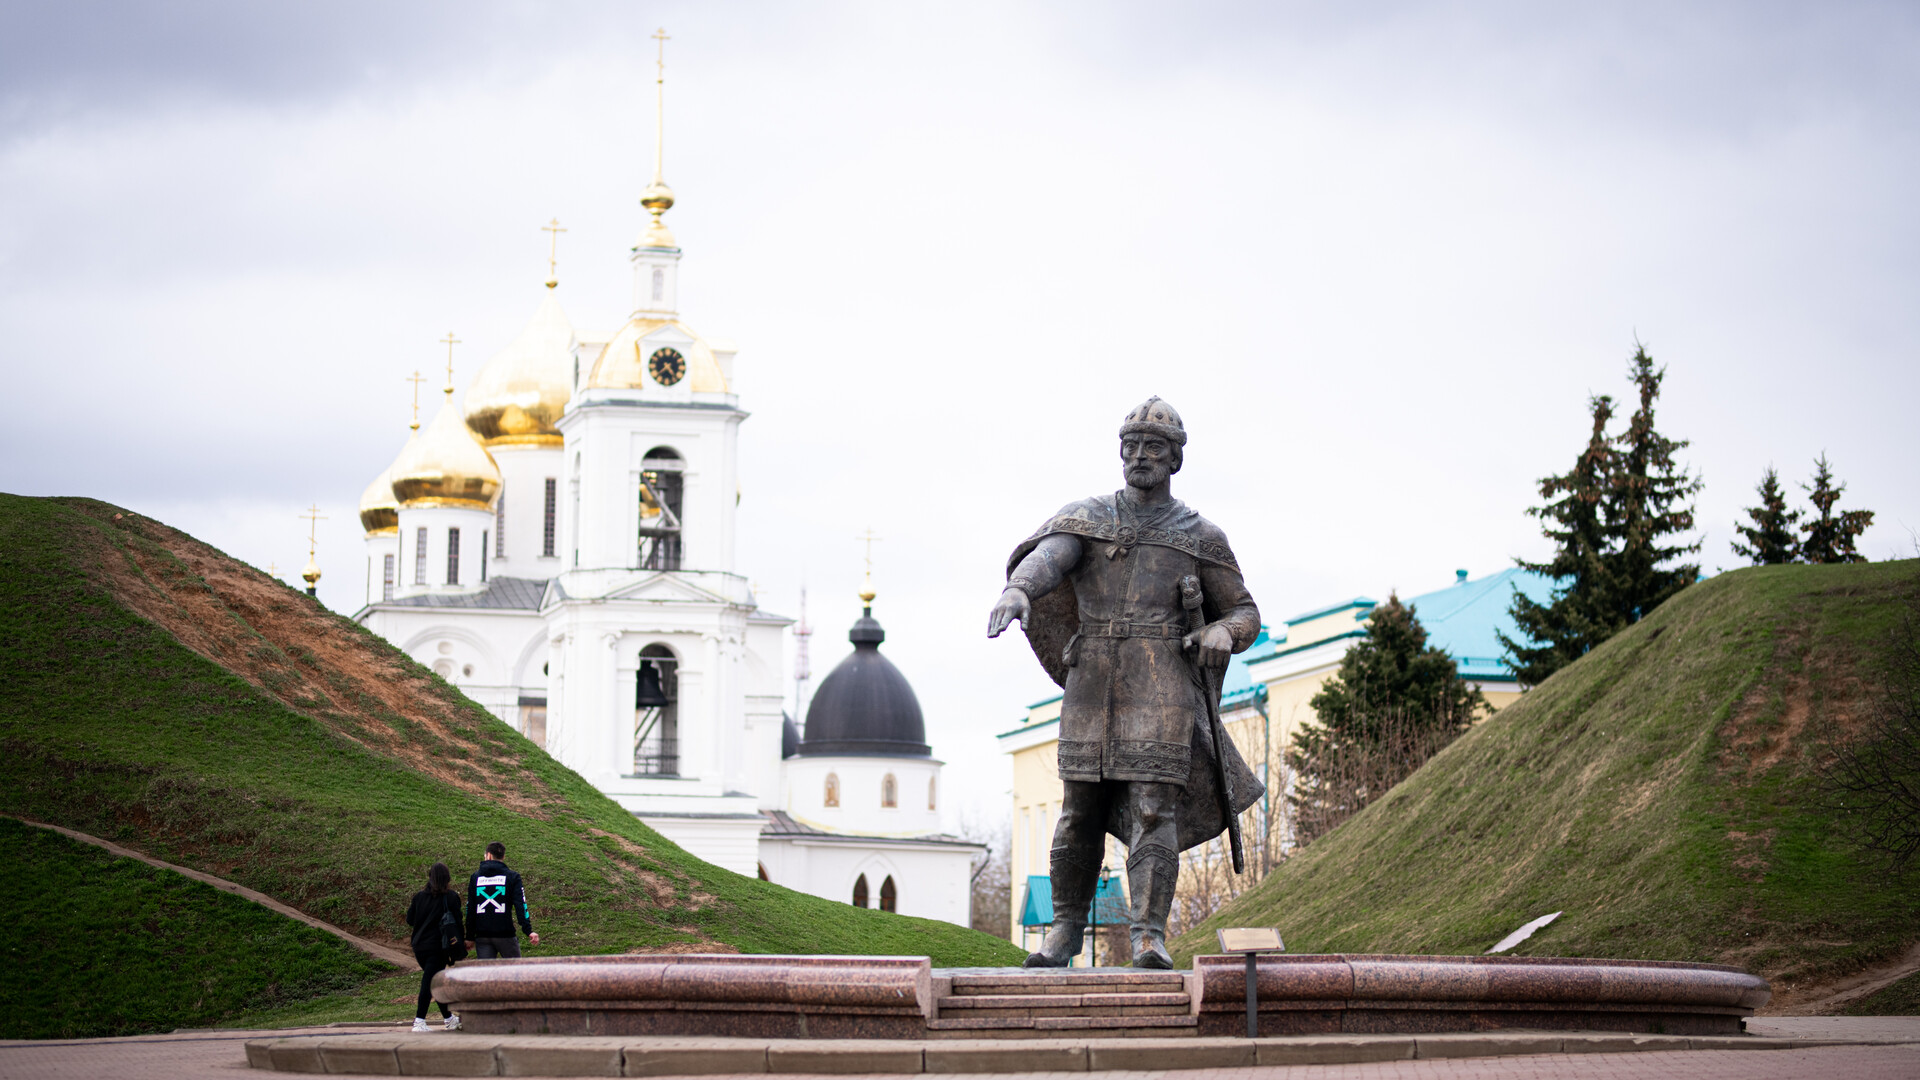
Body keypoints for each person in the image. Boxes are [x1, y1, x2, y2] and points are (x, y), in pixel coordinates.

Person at [988, 397, 1263, 969]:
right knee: (1077, 810)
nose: (1140, 457)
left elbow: (1244, 612)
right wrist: (1020, 589)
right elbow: (1050, 556)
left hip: (1161, 683)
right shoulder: (1087, 517)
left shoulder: (1199, 535)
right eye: (1131, 447)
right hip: (1091, 678)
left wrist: (1223, 633)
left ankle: (1148, 935)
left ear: (1174, 460)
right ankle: (1063, 933)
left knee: (1153, 810)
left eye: (1154, 448)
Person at [403, 862, 465, 1032]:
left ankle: (449, 1019)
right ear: (447, 878)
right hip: (439, 947)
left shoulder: (419, 897)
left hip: (419, 947)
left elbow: (410, 920)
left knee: (435, 982)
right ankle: (419, 1021)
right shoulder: (450, 897)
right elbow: (458, 923)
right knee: (430, 983)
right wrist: (463, 942)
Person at [466, 841, 539, 957]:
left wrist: (469, 936)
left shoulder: (475, 877)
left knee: (487, 974)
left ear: (488, 855)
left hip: (483, 935)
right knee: (515, 972)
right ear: (503, 857)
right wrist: (528, 930)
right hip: (505, 934)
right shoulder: (512, 877)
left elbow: (470, 908)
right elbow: (521, 904)